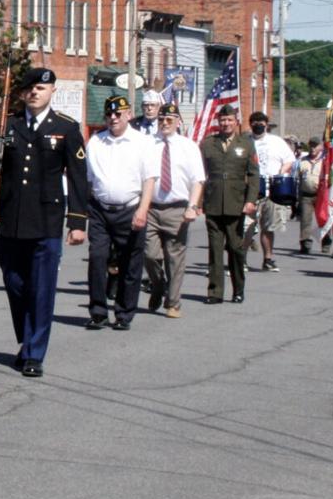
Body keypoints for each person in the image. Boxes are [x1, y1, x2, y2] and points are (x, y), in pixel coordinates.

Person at [0, 68, 89, 378]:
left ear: (52, 90)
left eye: (41, 87)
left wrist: (77, 221)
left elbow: (79, 178)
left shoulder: (65, 128)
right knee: (14, 281)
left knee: (42, 289)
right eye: (29, 88)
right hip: (10, 221)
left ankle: (34, 353)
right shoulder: (8, 126)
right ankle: (27, 339)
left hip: (46, 221)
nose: (34, 93)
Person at [83, 95, 151, 329]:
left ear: (129, 115)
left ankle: (124, 313)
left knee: (130, 263)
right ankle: (98, 312)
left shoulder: (142, 142)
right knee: (98, 258)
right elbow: (89, 180)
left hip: (130, 209)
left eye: (118, 114)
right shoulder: (96, 141)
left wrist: (143, 209)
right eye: (109, 114)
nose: (113, 118)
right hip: (101, 210)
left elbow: (149, 180)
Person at [135, 102, 205, 318]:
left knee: (175, 258)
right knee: (150, 254)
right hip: (152, 207)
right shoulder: (146, 144)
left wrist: (192, 206)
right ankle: (158, 285)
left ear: (177, 122)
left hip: (177, 208)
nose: (164, 123)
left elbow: (198, 180)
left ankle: (173, 303)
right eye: (161, 119)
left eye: (169, 120)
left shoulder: (188, 146)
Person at [199, 105, 258, 304]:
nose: (226, 123)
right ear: (218, 121)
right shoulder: (208, 144)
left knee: (235, 249)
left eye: (229, 120)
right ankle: (215, 292)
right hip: (214, 202)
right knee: (215, 250)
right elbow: (200, 175)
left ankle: (238, 289)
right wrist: (199, 202)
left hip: (236, 203)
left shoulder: (246, 144)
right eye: (222, 120)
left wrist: (250, 200)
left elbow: (253, 174)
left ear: (236, 121)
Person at [248, 111, 294, 272]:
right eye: (254, 122)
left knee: (268, 226)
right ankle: (241, 260)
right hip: (251, 189)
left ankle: (268, 258)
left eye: (261, 122)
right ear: (250, 124)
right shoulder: (245, 141)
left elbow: (289, 160)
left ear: (266, 124)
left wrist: (281, 172)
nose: (258, 125)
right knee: (247, 225)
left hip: (271, 188)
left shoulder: (276, 142)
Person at [296, 137, 324, 254]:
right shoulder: (303, 161)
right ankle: (305, 243)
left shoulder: (325, 161)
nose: (313, 148)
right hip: (306, 195)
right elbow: (297, 179)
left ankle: (326, 241)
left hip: (321, 195)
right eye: (311, 145)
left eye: (315, 145)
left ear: (321, 147)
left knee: (323, 219)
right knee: (305, 220)